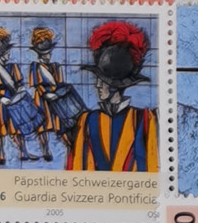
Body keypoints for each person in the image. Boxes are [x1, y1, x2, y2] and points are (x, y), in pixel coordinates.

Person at [64, 20, 159, 173]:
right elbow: (76, 167)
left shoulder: (144, 119)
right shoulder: (87, 120)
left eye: (102, 81)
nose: (97, 86)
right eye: (97, 80)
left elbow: (152, 165)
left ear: (116, 85)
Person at [24, 23, 87, 156]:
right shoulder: (35, 66)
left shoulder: (56, 66)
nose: (48, 55)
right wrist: (45, 94)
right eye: (44, 53)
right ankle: (45, 150)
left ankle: (71, 146)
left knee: (62, 123)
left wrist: (58, 94)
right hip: (42, 99)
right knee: (42, 125)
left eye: (48, 52)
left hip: (57, 99)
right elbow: (37, 84)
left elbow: (61, 83)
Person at [0, 26, 37, 165]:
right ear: (1, 54)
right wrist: (0, 97)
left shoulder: (13, 67)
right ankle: (1, 155)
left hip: (13, 100)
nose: (8, 54)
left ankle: (23, 152)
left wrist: (20, 89)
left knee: (17, 126)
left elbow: (19, 82)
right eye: (6, 52)